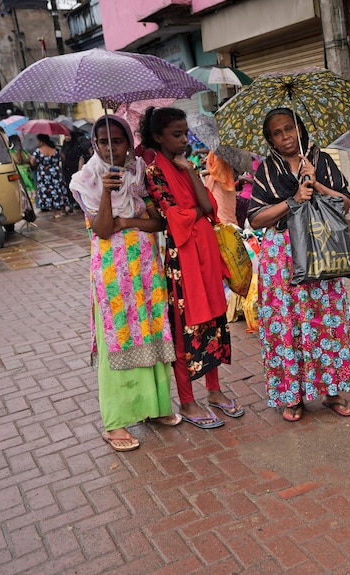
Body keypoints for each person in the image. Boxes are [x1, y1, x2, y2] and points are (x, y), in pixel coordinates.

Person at [70, 115, 179, 451]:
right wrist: (106, 191)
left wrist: (127, 220)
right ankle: (116, 422)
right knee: (119, 336)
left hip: (145, 265)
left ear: (128, 142)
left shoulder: (138, 171)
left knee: (149, 328)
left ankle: (154, 407)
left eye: (117, 140)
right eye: (103, 141)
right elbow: (102, 229)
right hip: (112, 271)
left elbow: (157, 222)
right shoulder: (84, 179)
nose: (111, 147)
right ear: (94, 144)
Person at [247, 107, 350, 422]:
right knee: (288, 324)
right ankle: (291, 396)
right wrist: (293, 198)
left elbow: (346, 203)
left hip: (320, 250)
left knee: (324, 323)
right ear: (270, 140)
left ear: (299, 129)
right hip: (282, 258)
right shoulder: (267, 170)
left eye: (289, 129)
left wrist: (317, 184)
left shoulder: (320, 160)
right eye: (277, 133)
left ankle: (331, 391)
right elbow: (256, 219)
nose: (285, 137)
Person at [140, 107, 241, 429]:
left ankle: (214, 391)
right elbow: (175, 218)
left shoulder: (185, 166)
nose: (184, 140)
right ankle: (187, 400)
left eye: (185, 133)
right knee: (185, 329)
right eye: (176, 134)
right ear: (158, 137)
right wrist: (193, 210)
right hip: (181, 261)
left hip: (205, 253)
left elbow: (208, 207)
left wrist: (192, 174)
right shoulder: (154, 171)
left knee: (213, 319)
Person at [30, 134, 70, 218]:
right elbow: (63, 157)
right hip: (56, 173)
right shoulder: (56, 149)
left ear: (41, 141)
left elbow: (33, 162)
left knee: (49, 193)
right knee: (59, 190)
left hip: (45, 175)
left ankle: (55, 213)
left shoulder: (38, 151)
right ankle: (63, 209)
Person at [61, 129, 92, 211]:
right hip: (67, 169)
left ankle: (78, 203)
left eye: (68, 136)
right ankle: (71, 202)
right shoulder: (65, 145)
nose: (67, 138)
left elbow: (81, 157)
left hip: (75, 168)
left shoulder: (77, 145)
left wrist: (79, 170)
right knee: (68, 186)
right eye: (65, 136)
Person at [204, 151, 238, 225]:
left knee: (222, 215)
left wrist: (205, 172)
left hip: (220, 186)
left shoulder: (221, 149)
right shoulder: (219, 149)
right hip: (225, 184)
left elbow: (219, 170)